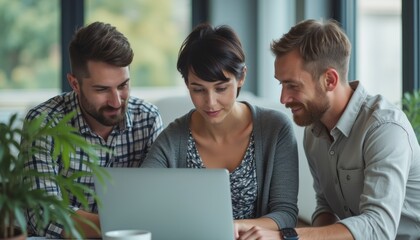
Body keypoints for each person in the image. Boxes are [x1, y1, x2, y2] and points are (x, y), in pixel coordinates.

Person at [265, 19, 420, 240]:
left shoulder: (384, 129)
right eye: (281, 84)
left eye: (293, 85)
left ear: (329, 80)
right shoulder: (313, 132)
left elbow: (378, 227)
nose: (283, 98)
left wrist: (287, 236)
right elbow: (326, 207)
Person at [141, 23, 299, 240]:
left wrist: (230, 228)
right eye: (198, 90)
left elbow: (285, 213)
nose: (210, 102)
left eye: (221, 88)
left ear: (241, 76)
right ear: (187, 84)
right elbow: (142, 201)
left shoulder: (275, 129)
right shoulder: (173, 138)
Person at [23, 21, 163, 238]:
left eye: (123, 85)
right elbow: (44, 214)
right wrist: (119, 228)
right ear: (74, 83)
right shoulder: (43, 123)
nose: (116, 101)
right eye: (102, 89)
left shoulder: (148, 118)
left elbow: (157, 201)